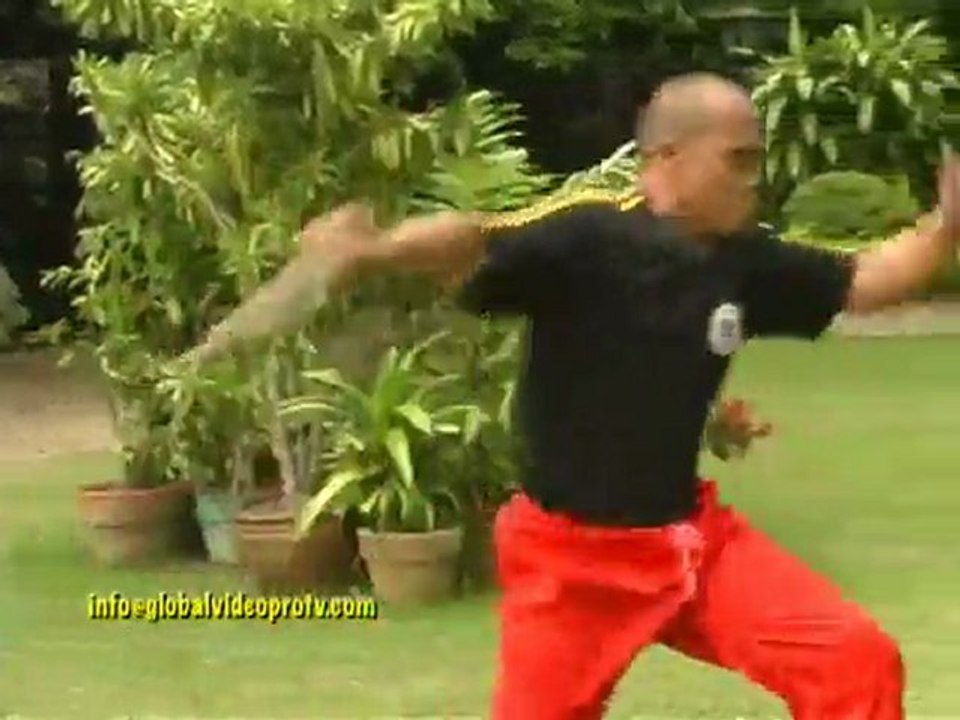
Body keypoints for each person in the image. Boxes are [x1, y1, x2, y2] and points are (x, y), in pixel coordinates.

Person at [303, 73, 960, 719]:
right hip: (571, 567)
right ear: (668, 157)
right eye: (738, 160)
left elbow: (864, 280)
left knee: (854, 660)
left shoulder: (747, 264)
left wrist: (945, 227)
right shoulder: (588, 237)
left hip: (694, 546)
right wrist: (376, 250)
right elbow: (469, 241)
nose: (753, 178)